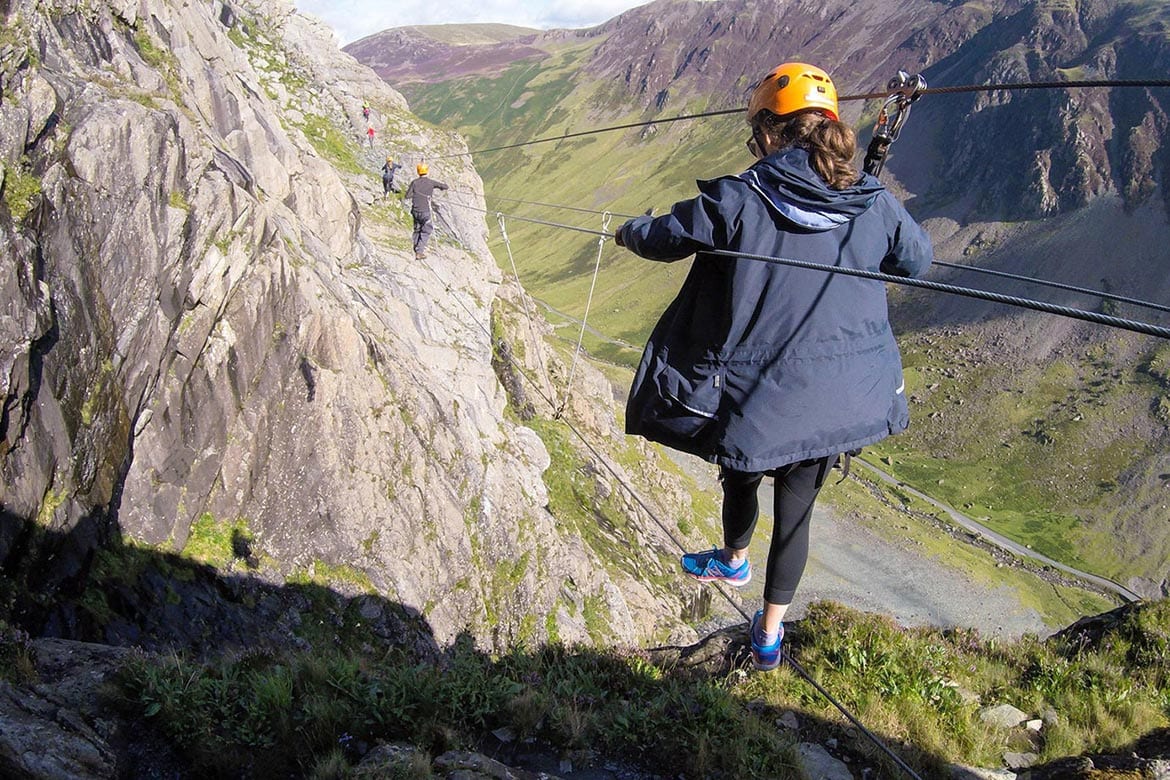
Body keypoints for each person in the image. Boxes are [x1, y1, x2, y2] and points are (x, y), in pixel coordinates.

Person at [613, 62, 932, 671]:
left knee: (741, 473)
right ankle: (769, 634)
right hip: (845, 396)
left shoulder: (738, 199)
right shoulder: (873, 201)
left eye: (757, 130)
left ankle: (733, 560)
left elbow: (663, 238)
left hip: (761, 394)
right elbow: (915, 262)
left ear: (770, 131)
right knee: (798, 509)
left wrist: (628, 231)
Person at [404, 163, 448, 259]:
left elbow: (407, 196)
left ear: (418, 171)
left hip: (415, 210)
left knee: (417, 228)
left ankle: (416, 247)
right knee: (426, 230)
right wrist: (445, 184)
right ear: (427, 171)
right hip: (425, 211)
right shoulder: (431, 182)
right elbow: (444, 187)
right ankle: (419, 252)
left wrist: (417, 194)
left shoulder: (414, 183)